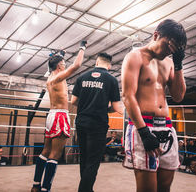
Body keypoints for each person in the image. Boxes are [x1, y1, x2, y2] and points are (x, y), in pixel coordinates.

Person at [121, 19, 187, 192]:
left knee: (164, 188)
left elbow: (178, 96)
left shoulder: (170, 62)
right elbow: (128, 96)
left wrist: (179, 64)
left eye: (173, 49)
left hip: (165, 126)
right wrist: (143, 132)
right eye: (167, 45)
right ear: (156, 35)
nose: (168, 51)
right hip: (144, 125)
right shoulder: (135, 57)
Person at [31, 41, 87, 192]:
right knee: (55, 154)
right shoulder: (57, 78)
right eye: (63, 63)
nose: (64, 64)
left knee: (45, 151)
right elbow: (76, 65)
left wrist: (59, 55)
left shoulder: (50, 78)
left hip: (52, 116)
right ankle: (45, 189)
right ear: (59, 66)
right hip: (60, 116)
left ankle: (36, 185)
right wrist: (82, 48)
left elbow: (53, 64)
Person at [70, 52, 122, 192]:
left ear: (96, 62)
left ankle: (87, 189)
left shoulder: (82, 77)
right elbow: (116, 107)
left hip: (81, 122)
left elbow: (73, 101)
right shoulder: (111, 80)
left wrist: (86, 105)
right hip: (98, 124)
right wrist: (104, 108)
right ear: (109, 66)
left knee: (85, 158)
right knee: (93, 161)